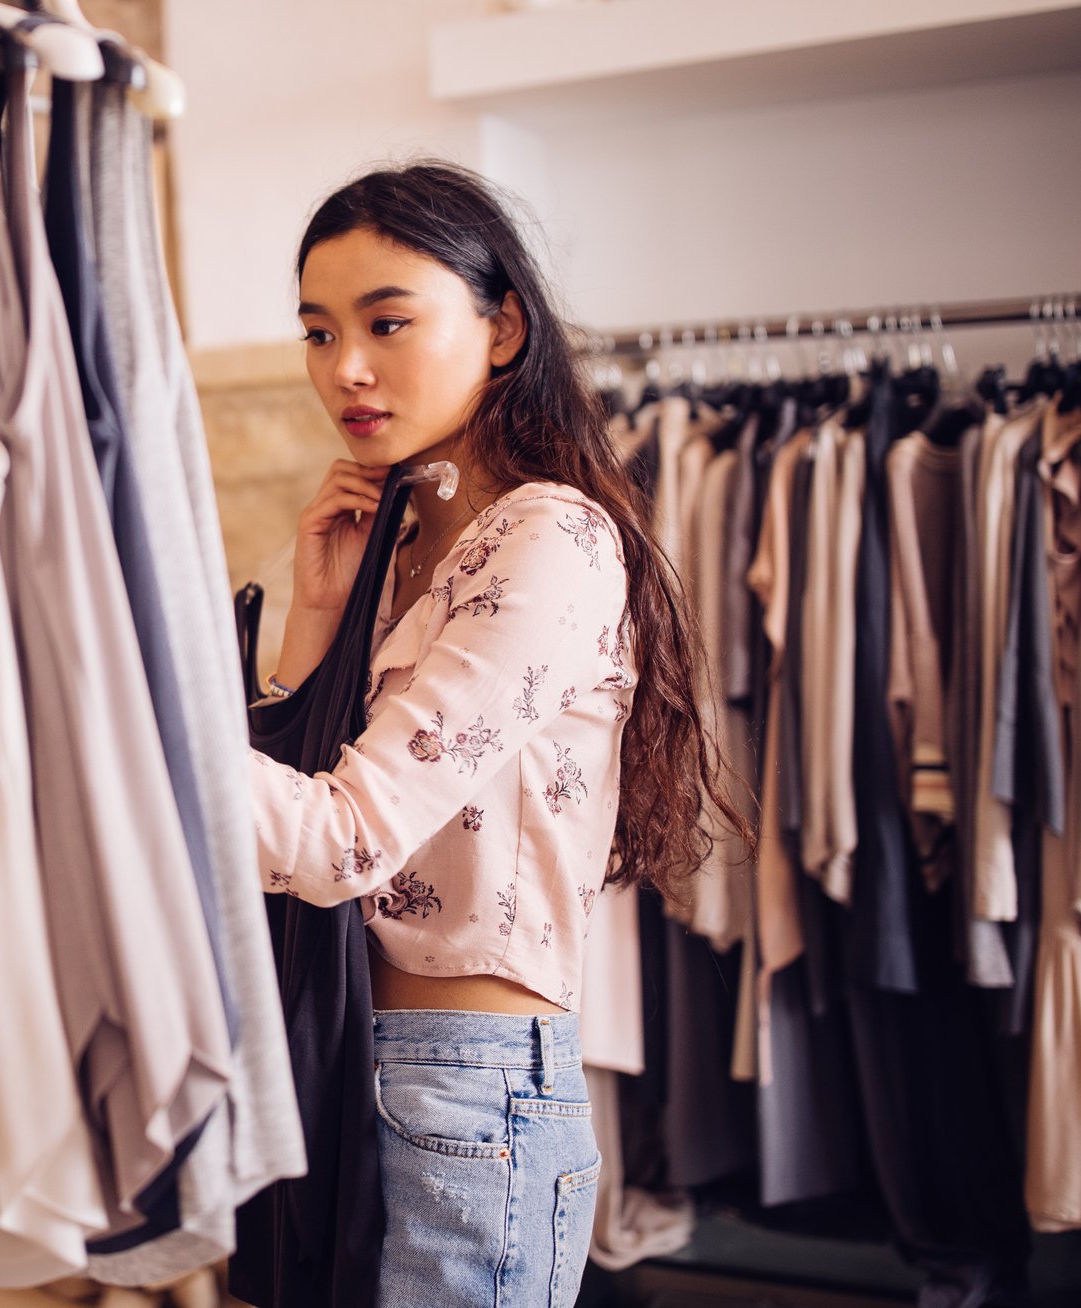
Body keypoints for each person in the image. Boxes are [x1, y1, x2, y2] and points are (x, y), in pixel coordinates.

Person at [248, 163, 747, 1305]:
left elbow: (338, 842)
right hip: (350, 1061)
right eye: (318, 333)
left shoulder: (549, 540)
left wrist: (130, 733)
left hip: (464, 1092)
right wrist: (318, 615)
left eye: (386, 322)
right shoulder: (406, 537)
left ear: (503, 325)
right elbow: (294, 834)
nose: (346, 370)